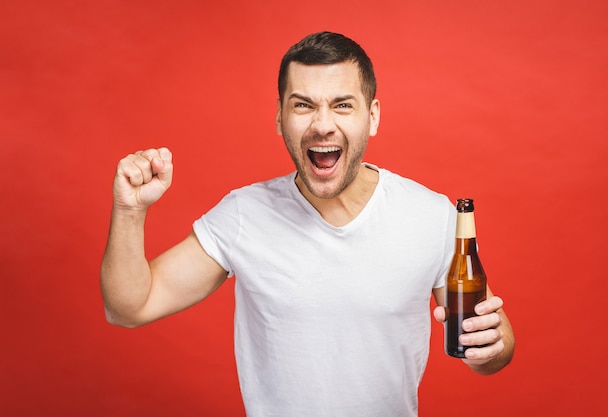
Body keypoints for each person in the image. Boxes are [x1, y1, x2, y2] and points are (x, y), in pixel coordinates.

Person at [101, 31, 515, 416]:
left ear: (372, 117)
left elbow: (492, 347)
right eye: (303, 105)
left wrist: (492, 346)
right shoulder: (244, 215)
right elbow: (130, 308)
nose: (321, 124)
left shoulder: (431, 215)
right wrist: (130, 210)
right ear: (281, 118)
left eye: (342, 104)